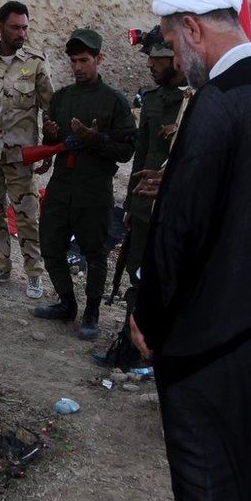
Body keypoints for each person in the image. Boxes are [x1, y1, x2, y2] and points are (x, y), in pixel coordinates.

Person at [131, 0, 251, 501]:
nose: (177, 60)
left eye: (171, 42)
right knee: (246, 443)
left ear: (192, 28)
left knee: (202, 448)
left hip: (207, 327)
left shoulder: (217, 101)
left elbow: (177, 232)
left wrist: (150, 318)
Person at [33, 29, 135, 340]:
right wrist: (50, 135)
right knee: (50, 245)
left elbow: (127, 149)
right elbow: (51, 137)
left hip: (94, 186)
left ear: (98, 59)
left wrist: (96, 140)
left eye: (84, 60)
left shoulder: (114, 102)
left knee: (94, 252)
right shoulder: (62, 97)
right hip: (62, 182)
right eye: (73, 61)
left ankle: (91, 311)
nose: (78, 67)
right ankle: (66, 303)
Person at [94, 29, 187, 369]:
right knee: (138, 273)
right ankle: (133, 343)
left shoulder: (197, 100)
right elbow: (143, 157)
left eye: (156, 58)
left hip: (179, 208)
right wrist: (132, 205)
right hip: (146, 205)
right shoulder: (151, 98)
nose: (149, 64)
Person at [0, 1, 54, 299]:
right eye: (15, 27)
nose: (21, 33)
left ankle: (34, 273)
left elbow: (50, 109)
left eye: (24, 28)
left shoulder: (35, 63)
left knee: (27, 214)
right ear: (0, 28)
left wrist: (47, 150)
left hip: (22, 154)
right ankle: (0, 265)